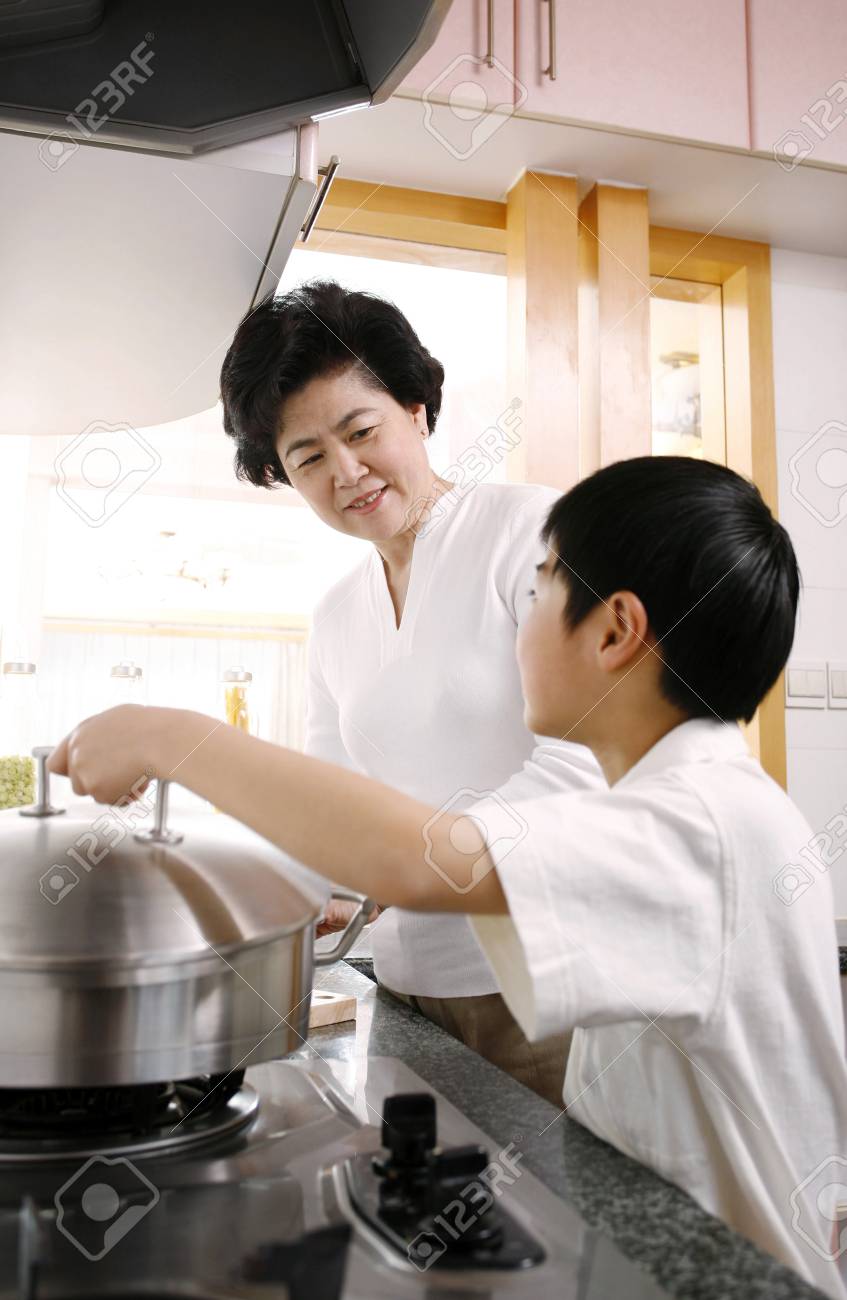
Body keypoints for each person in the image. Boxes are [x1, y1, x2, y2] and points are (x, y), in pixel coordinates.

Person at [50, 456, 847, 1298]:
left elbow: (418, 860)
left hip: (735, 1277)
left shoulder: (693, 821)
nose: (518, 619)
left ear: (613, 631)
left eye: (537, 591)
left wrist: (175, 738)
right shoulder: (671, 799)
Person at [217, 278, 604, 1104]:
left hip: (544, 982)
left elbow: (588, 758)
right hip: (408, 984)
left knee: (566, 1222)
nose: (347, 472)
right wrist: (260, 888)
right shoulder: (334, 617)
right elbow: (327, 804)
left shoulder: (529, 531)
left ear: (418, 411)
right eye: (308, 457)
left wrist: (407, 862)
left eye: (362, 431)